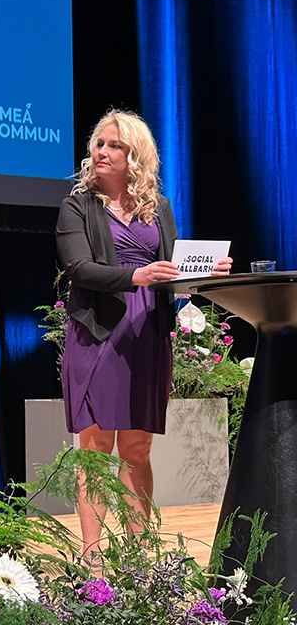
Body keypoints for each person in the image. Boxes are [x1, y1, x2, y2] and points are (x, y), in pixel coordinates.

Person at [55, 109, 231, 562]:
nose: (101, 152)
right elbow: (79, 268)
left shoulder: (159, 206)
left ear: (135, 155)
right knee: (96, 450)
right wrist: (136, 276)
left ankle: (138, 559)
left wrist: (206, 273)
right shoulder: (77, 205)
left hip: (147, 334)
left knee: (136, 448)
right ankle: (91, 559)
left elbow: (173, 271)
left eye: (113, 145)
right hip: (99, 333)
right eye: (98, 144)